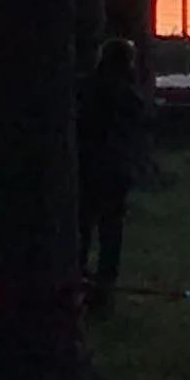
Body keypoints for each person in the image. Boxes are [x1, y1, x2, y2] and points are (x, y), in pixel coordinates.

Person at [76, 37, 147, 313]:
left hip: (87, 167)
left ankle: (77, 279)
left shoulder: (86, 89)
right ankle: (104, 289)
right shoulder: (129, 98)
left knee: (83, 228)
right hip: (114, 172)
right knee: (110, 233)